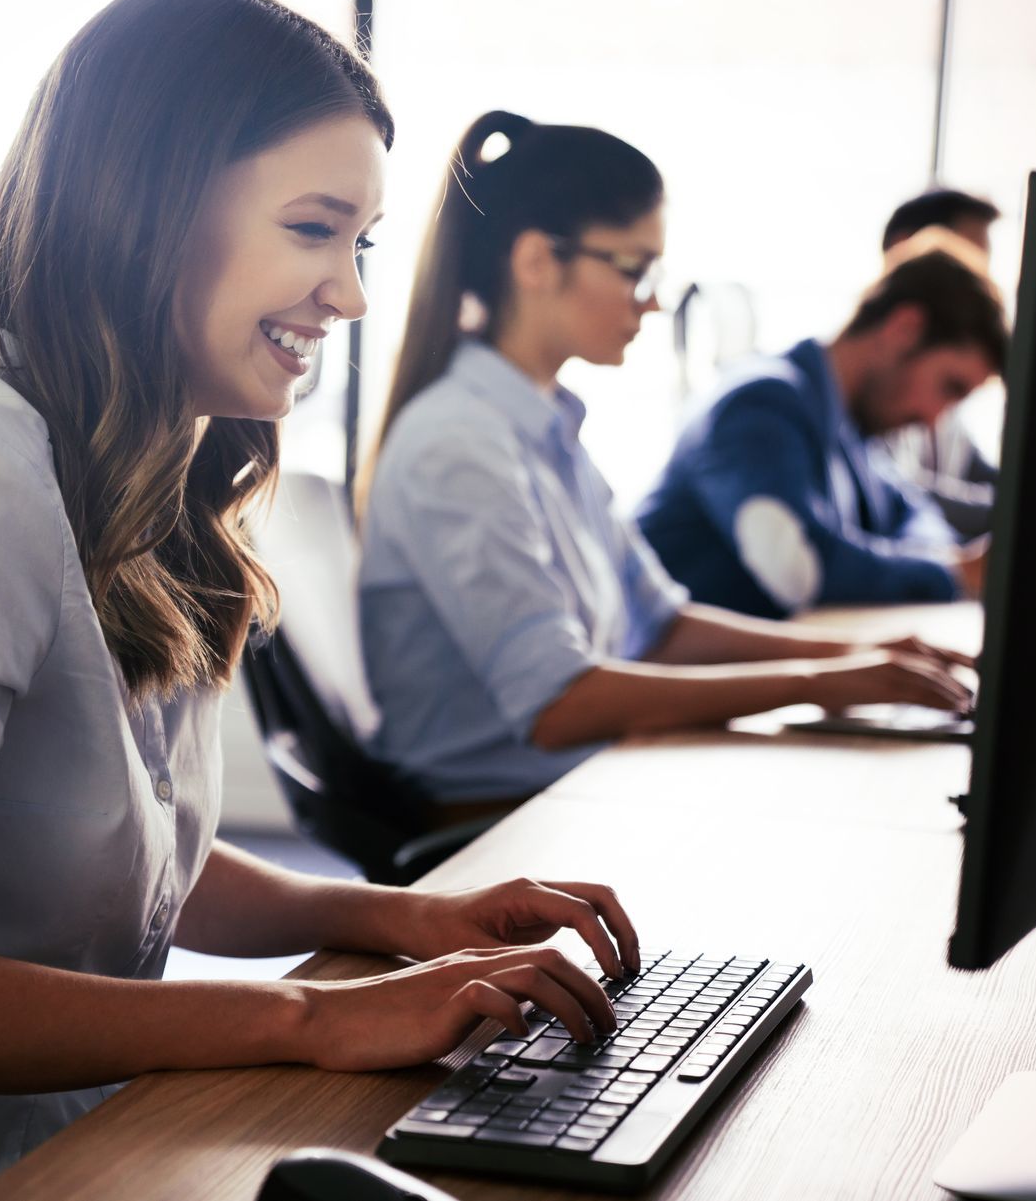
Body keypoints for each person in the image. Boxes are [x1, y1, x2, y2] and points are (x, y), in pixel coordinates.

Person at [0, 0, 644, 1201]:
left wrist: (396, 920)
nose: (347, 295)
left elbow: (137, 871)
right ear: (145, 210)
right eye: (312, 230)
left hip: (80, 1141)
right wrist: (309, 1019)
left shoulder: (144, 472)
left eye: (362, 245)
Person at [357, 111, 974, 811]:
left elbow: (664, 626)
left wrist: (861, 659)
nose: (653, 301)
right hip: (500, 821)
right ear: (536, 262)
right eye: (635, 268)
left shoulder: (545, 426)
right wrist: (817, 684)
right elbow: (558, 702)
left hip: (578, 784)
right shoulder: (458, 444)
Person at [635, 229, 1007, 621]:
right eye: (950, 387)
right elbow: (800, 569)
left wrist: (938, 564)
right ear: (904, 329)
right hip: (682, 675)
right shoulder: (760, 405)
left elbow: (919, 516)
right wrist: (953, 572)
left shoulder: (852, 428)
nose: (935, 418)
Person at [879, 188, 1004, 535]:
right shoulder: (869, 385)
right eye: (964, 265)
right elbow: (897, 495)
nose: (977, 290)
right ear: (905, 248)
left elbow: (983, 476)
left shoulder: (942, 378)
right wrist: (1013, 518)